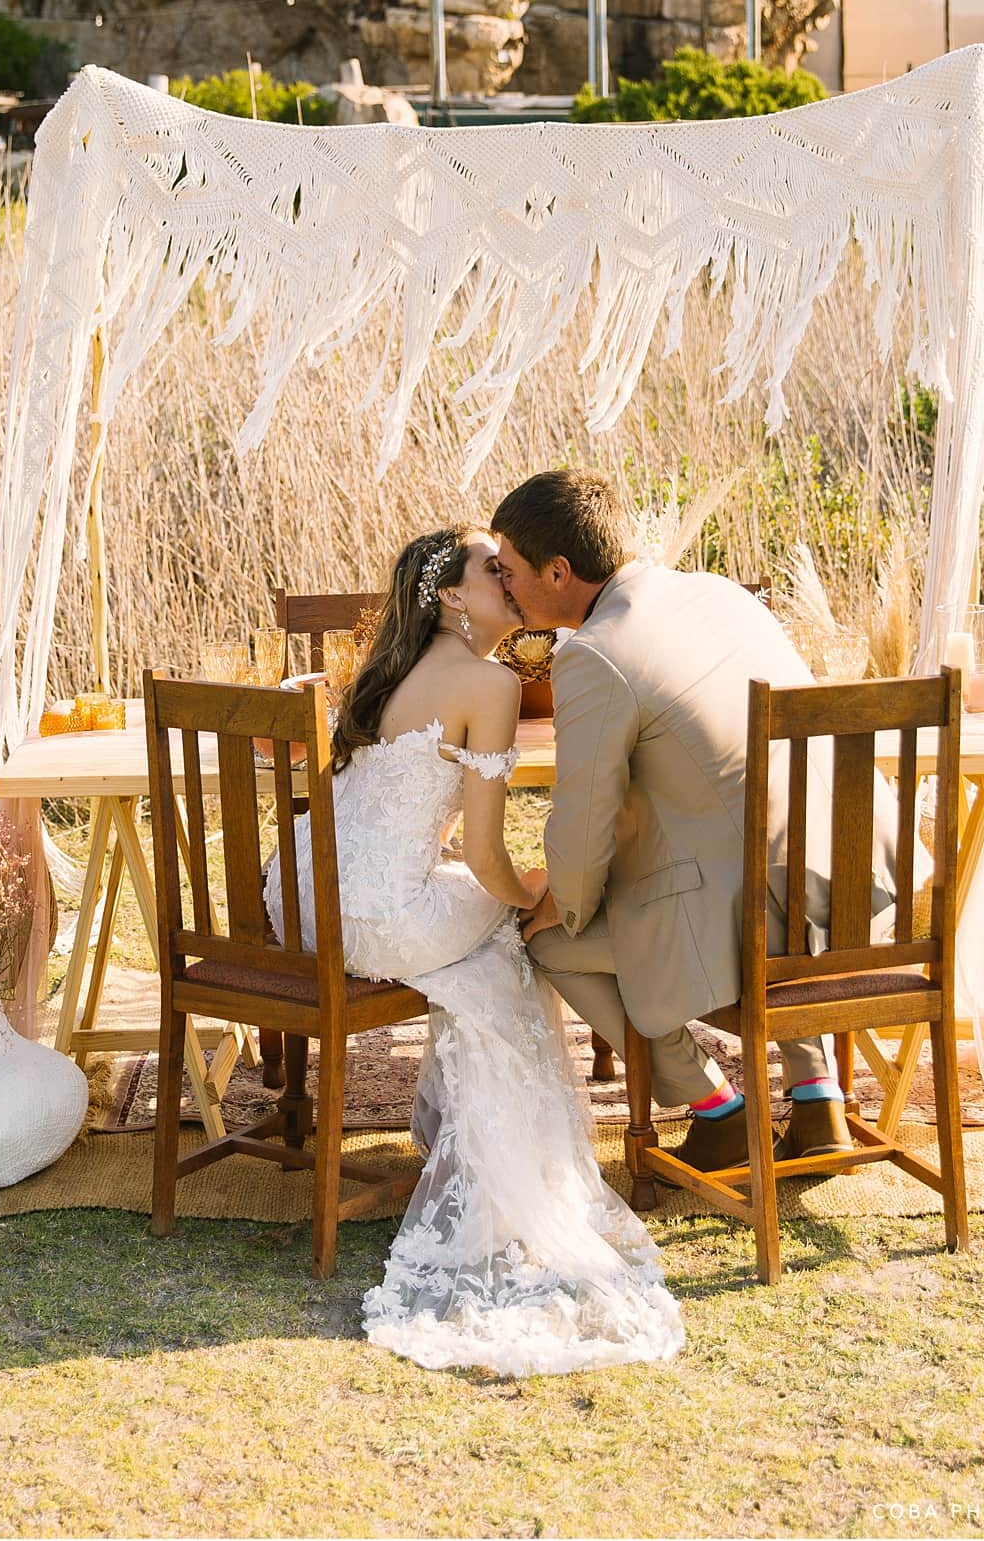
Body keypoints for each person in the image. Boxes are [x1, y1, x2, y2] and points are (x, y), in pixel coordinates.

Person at [264, 524, 684, 1378]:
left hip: (304, 893)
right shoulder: (488, 683)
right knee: (507, 937)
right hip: (375, 912)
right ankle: (501, 1172)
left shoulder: (389, 672)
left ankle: (464, 1132)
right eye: (493, 570)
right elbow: (491, 860)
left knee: (480, 923)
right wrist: (545, 900)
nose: (511, 578)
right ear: (452, 596)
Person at [492, 468, 899, 1172]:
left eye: (510, 570)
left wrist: (563, 897)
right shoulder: (720, 593)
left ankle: (718, 1111)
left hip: (759, 922)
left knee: (548, 940)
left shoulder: (594, 655)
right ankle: (816, 1096)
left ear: (558, 572)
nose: (502, 584)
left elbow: (582, 823)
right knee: (736, 847)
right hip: (856, 888)